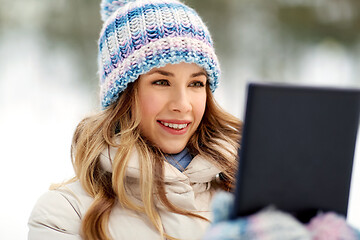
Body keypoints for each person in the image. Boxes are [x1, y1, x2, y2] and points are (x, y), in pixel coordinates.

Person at [28, 0, 360, 239]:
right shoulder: (63, 213)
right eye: (161, 82)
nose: (183, 105)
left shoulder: (242, 196)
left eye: (196, 83)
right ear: (123, 94)